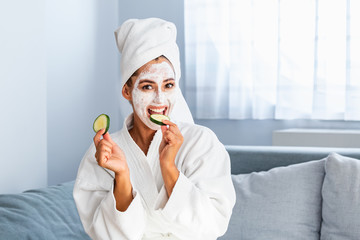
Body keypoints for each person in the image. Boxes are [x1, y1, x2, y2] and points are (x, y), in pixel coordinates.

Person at [73, 18, 236, 240]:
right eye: (147, 86)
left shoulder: (201, 143)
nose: (160, 98)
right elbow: (107, 236)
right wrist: (122, 176)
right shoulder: (102, 155)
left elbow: (212, 225)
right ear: (127, 91)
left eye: (168, 85)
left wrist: (169, 168)